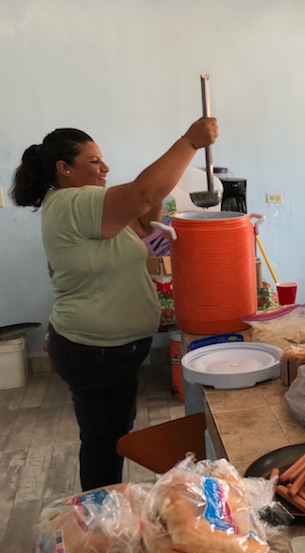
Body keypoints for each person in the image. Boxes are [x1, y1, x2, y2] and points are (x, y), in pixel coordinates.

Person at [11, 117, 219, 491]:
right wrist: (189, 141)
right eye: (94, 161)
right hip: (94, 352)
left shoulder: (92, 209)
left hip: (110, 351)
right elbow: (142, 194)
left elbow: (143, 223)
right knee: (104, 445)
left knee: (111, 434)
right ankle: (98, 521)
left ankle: (104, 511)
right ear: (64, 168)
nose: (105, 167)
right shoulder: (74, 202)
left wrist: (152, 194)